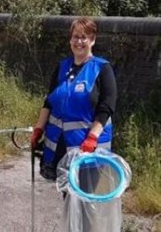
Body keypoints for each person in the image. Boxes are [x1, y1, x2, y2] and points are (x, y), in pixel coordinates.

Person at [31, 17, 116, 179]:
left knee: (86, 197)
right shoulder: (62, 67)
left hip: (88, 146)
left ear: (92, 40)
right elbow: (49, 102)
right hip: (60, 145)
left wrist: (92, 137)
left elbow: (107, 106)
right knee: (66, 194)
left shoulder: (102, 68)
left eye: (84, 37)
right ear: (70, 40)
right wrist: (38, 129)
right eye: (75, 37)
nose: (79, 41)